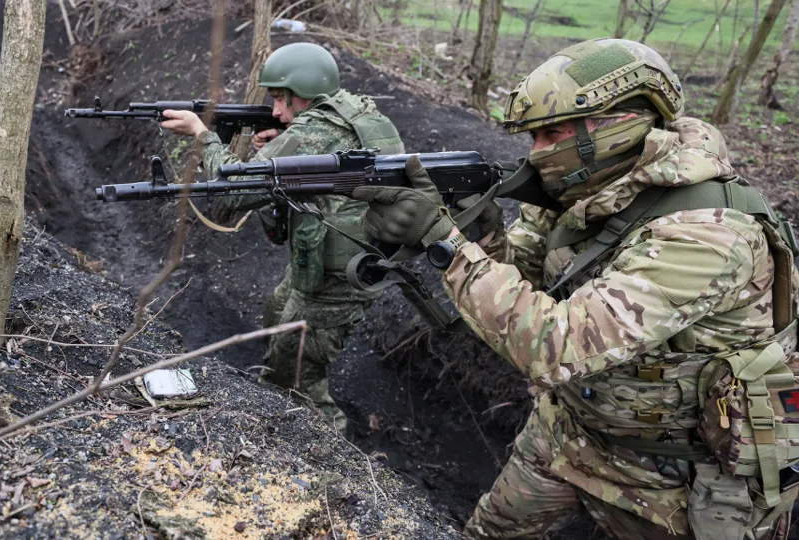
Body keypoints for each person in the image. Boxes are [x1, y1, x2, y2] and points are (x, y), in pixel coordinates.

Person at [352, 38, 799, 539]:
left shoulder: (708, 233)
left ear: (618, 123)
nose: (537, 153)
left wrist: (446, 244)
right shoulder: (584, 191)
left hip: (678, 478)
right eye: (532, 137)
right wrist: (477, 231)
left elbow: (556, 342)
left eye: (552, 134)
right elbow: (522, 278)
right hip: (569, 432)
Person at [160, 42, 404, 432]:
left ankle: (327, 453)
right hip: (344, 258)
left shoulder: (315, 131)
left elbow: (236, 190)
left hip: (339, 276)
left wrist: (201, 134)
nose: (275, 111)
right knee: (277, 311)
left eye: (280, 99)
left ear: (304, 91)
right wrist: (276, 150)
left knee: (296, 381)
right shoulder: (352, 111)